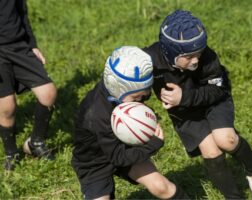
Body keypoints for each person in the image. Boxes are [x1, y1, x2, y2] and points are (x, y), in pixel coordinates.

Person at [143, 10, 252, 200]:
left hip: (214, 101)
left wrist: (184, 97)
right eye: (188, 56)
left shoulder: (208, 57)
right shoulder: (150, 60)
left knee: (226, 139)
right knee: (210, 150)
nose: (196, 59)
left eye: (198, 53)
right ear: (170, 52)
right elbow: (130, 76)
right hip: (185, 113)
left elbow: (218, 90)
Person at [71, 46, 189, 200]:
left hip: (127, 147)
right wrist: (151, 145)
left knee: (161, 187)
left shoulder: (120, 85)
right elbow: (118, 157)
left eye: (144, 96)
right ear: (118, 90)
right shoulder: (96, 115)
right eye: (137, 98)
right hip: (94, 163)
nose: (142, 101)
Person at [0, 0, 57, 171]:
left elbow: (22, 13)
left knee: (48, 93)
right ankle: (11, 152)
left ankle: (36, 142)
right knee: (7, 107)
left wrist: (32, 45)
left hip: (19, 47)